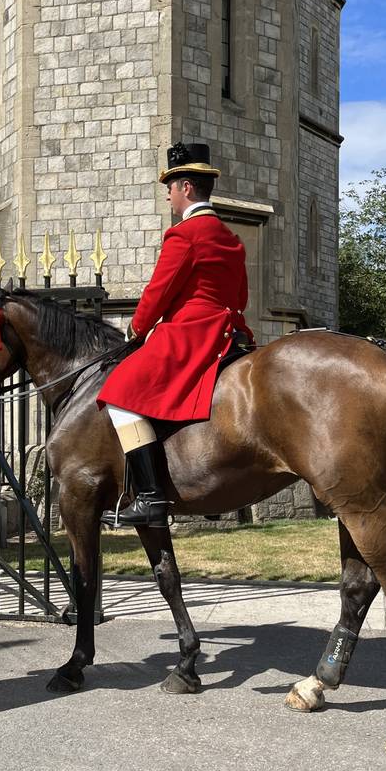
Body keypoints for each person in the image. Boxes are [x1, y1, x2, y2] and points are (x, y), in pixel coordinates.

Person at [98, 142, 254, 528]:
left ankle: (150, 496)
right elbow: (241, 297)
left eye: (169, 186)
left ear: (185, 187)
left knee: (119, 394)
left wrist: (137, 327)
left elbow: (157, 292)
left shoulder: (184, 235)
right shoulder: (230, 238)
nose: (167, 194)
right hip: (228, 331)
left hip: (189, 332)